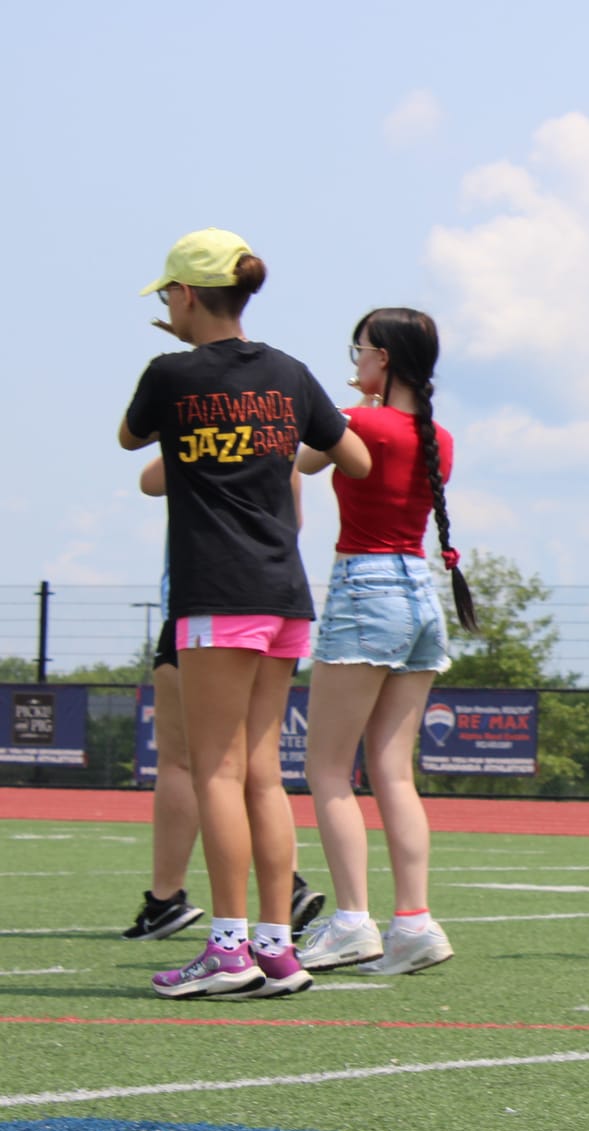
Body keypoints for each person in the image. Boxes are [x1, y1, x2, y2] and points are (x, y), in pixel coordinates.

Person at [119, 228, 370, 999]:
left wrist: (201, 419)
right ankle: (275, 948)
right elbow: (355, 458)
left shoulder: (170, 373)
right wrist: (270, 441)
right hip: (284, 594)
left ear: (186, 295)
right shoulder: (289, 372)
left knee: (217, 772)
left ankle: (228, 950)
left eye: (169, 295)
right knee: (265, 775)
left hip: (215, 593)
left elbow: (131, 441)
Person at [298, 308, 474, 977]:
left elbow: (303, 460)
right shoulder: (439, 437)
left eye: (361, 349)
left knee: (326, 769)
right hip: (419, 590)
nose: (356, 359)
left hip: (364, 587)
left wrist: (352, 407)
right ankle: (413, 923)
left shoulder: (359, 422)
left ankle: (350, 920)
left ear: (385, 358)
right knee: (394, 772)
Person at [122, 461, 325, 944]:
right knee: (260, 768)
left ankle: (169, 899)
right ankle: (285, 890)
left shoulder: (196, 433)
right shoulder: (281, 437)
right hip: (277, 598)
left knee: (187, 763)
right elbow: (295, 519)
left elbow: (149, 480)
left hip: (207, 601)